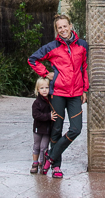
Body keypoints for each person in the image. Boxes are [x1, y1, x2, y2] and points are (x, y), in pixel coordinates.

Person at [28, 14, 88, 179]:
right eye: (59, 27)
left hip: (76, 94)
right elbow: (32, 60)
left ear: (70, 25)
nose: (62, 29)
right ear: (57, 30)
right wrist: (47, 74)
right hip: (58, 94)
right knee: (56, 130)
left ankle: (50, 156)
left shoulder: (82, 45)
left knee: (76, 129)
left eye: (64, 26)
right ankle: (56, 167)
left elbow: (85, 67)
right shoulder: (52, 47)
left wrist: (84, 90)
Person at [30, 77, 54, 175]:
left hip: (47, 129)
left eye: (47, 88)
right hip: (38, 128)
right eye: (42, 88)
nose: (44, 90)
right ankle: (35, 163)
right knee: (36, 146)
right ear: (38, 90)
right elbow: (36, 115)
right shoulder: (37, 103)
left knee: (44, 147)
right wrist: (48, 116)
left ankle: (42, 163)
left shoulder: (51, 101)